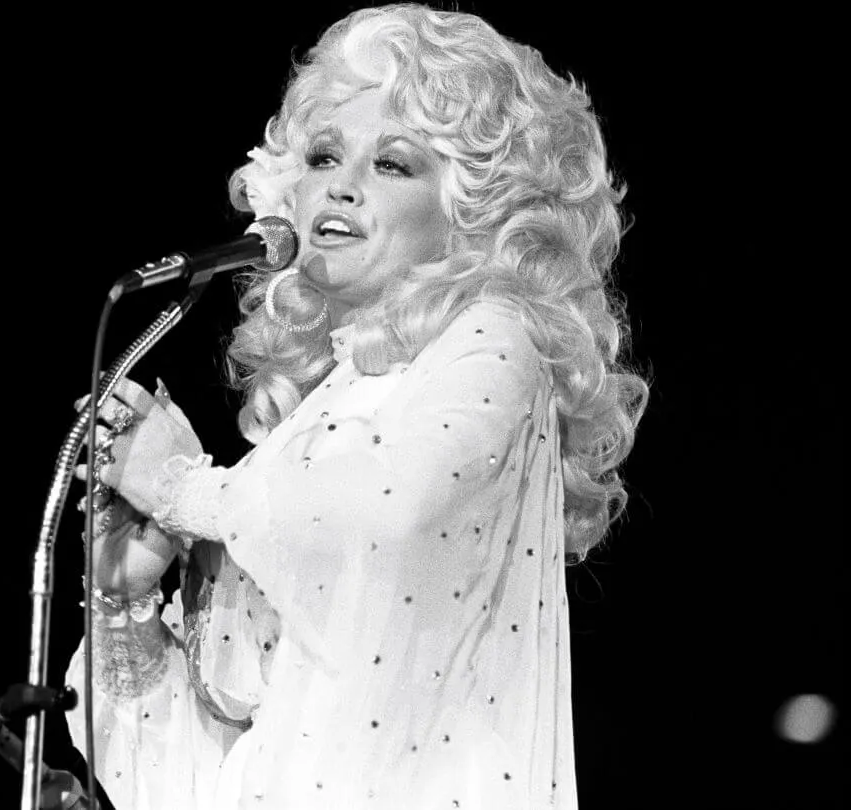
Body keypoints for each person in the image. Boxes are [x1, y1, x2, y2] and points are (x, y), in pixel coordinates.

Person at [65, 4, 648, 808]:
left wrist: (184, 489)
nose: (339, 184)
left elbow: (389, 510)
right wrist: (128, 600)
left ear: (471, 210)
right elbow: (208, 778)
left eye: (394, 164)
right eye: (322, 154)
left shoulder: (493, 344)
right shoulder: (310, 422)